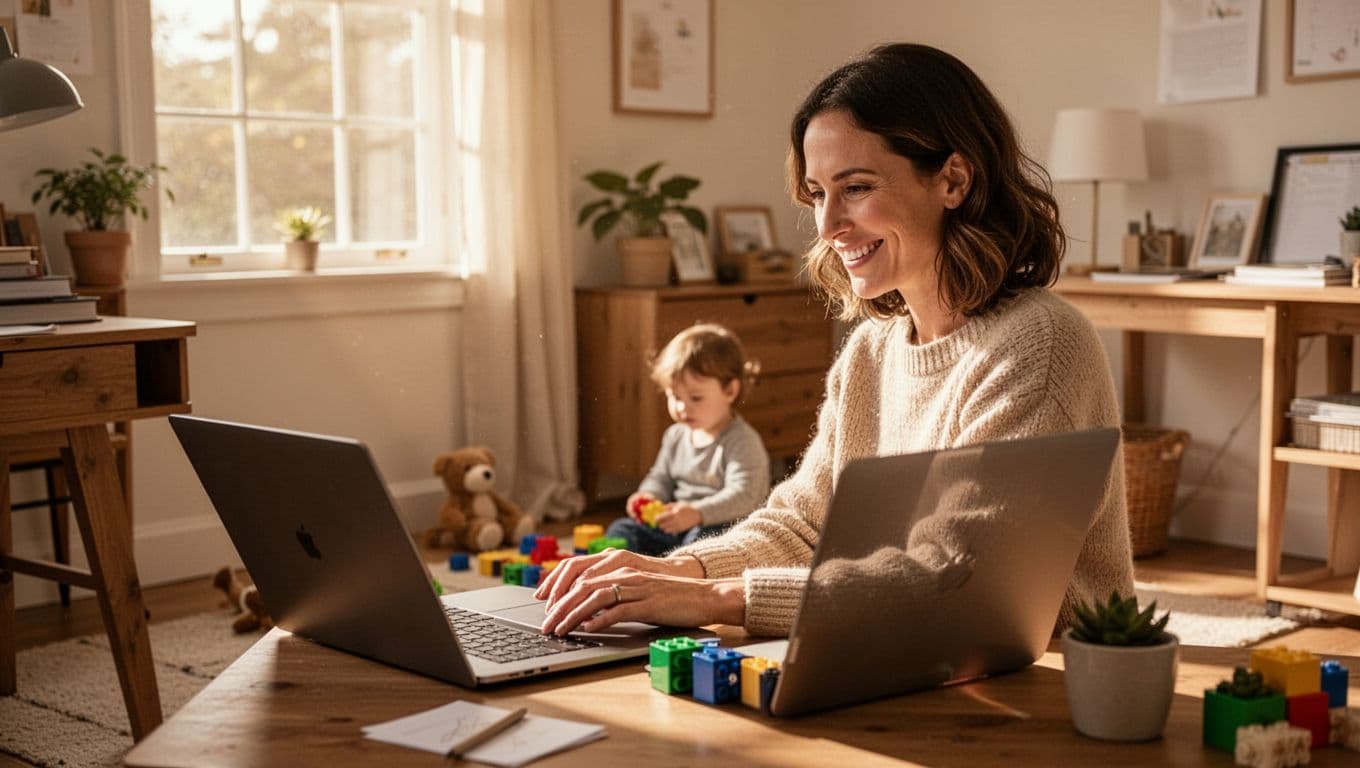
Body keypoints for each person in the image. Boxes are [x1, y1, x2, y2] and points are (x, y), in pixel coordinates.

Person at [537, 43, 1135, 638]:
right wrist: (671, 572)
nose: (827, 226)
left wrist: (714, 598)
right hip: (903, 652)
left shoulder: (1040, 345)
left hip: (1040, 678)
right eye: (819, 194)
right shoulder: (872, 352)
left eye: (855, 187)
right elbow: (803, 523)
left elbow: (960, 583)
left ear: (952, 180)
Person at [606, 323, 770, 556]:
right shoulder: (675, 436)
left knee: (702, 542)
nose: (682, 408)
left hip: (722, 526)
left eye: (695, 397)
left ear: (730, 391)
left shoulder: (742, 441)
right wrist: (648, 495)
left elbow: (745, 496)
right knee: (622, 530)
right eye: (675, 396)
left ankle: (674, 569)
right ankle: (627, 567)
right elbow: (661, 477)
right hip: (676, 524)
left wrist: (697, 513)